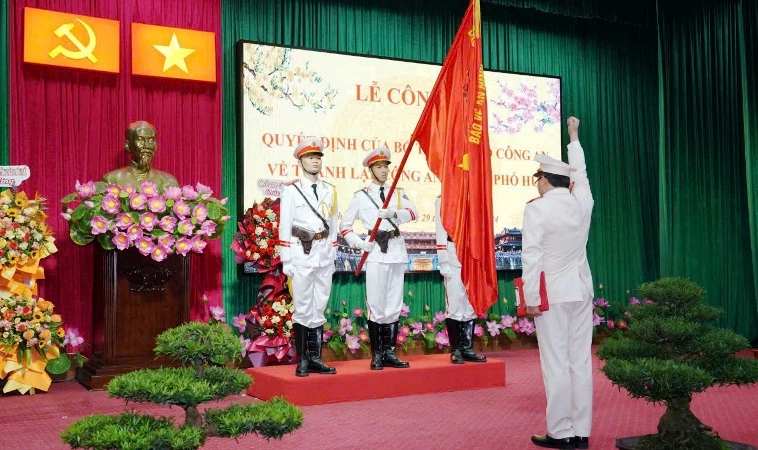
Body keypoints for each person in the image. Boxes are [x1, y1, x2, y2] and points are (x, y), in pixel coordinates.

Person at [522, 117, 594, 449]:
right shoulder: (583, 202)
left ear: (543, 181)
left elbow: (532, 257)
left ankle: (560, 431)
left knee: (555, 364)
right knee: (580, 362)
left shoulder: (537, 209)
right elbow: (581, 174)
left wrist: (531, 298)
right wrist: (573, 138)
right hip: (581, 290)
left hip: (551, 295)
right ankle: (581, 432)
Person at [339, 147, 418, 370]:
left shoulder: (398, 193)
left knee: (394, 304)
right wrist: (359, 243)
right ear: (370, 170)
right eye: (379, 167)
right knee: (376, 305)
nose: (384, 171)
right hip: (375, 253)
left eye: (386, 167)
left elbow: (414, 212)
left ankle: (389, 352)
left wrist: (395, 214)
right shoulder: (361, 197)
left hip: (396, 250)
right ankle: (377, 354)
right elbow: (345, 227)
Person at [278, 137, 339, 377]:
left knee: (320, 305)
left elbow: (334, 224)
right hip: (301, 254)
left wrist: (333, 253)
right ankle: (302, 359)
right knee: (303, 307)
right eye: (310, 157)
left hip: (324, 254)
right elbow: (285, 226)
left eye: (317, 157)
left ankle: (316, 358)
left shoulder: (329, 189)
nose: (315, 161)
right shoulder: (291, 191)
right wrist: (286, 259)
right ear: (300, 161)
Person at [435, 196, 487, 364]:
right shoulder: (444, 199)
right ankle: (456, 349)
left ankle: (467, 347)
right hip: (453, 255)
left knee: (469, 304)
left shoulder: (475, 197)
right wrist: (443, 260)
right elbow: (441, 230)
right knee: (455, 305)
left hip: (472, 257)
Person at [103, 121, 179, 187]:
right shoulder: (113, 180)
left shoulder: (169, 182)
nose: (147, 145)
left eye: (151, 140)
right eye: (140, 140)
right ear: (127, 145)